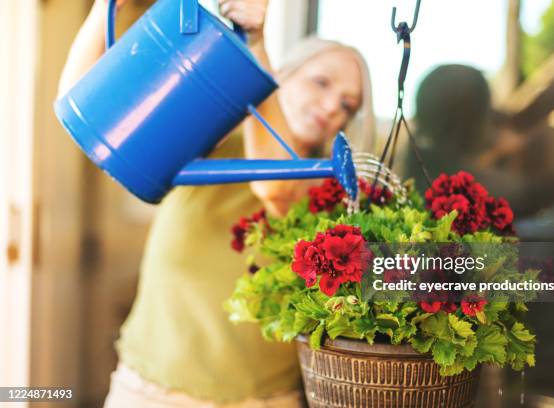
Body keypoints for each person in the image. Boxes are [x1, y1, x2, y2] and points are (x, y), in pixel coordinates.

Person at [57, 0, 375, 406]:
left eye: (347, 105)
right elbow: (86, 109)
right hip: (148, 387)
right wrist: (108, 6)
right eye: (322, 83)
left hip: (262, 400)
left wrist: (255, 46)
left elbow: (274, 187)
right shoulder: (213, 135)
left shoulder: (329, 185)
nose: (333, 107)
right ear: (287, 74)